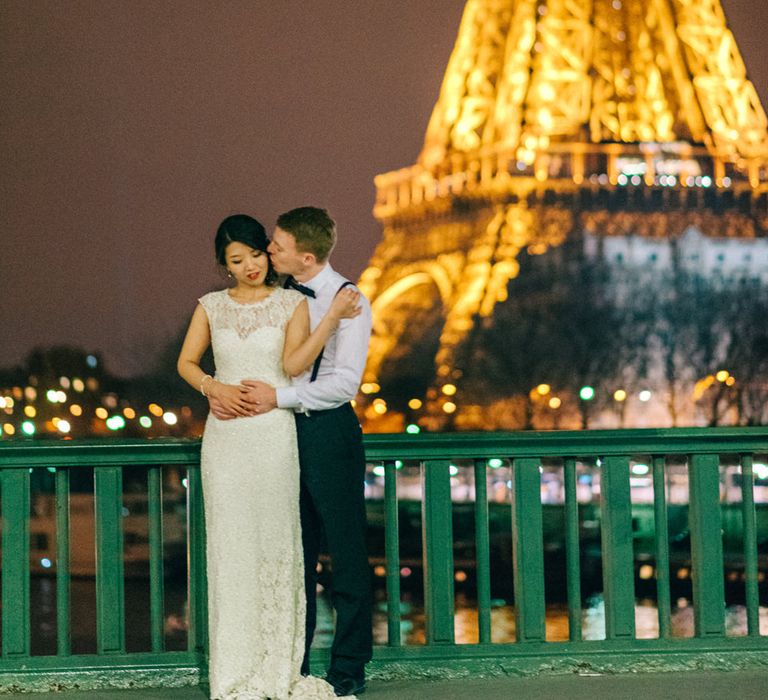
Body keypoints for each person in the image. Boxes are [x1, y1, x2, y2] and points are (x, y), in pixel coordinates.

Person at [177, 213, 361, 700]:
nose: (251, 264)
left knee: (280, 547)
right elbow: (186, 361)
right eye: (237, 259)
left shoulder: (290, 303)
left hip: (275, 436)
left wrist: (332, 320)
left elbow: (293, 366)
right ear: (225, 265)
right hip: (227, 437)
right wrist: (211, 386)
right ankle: (235, 667)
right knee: (232, 550)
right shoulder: (211, 305)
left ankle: (280, 664)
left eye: (258, 254)